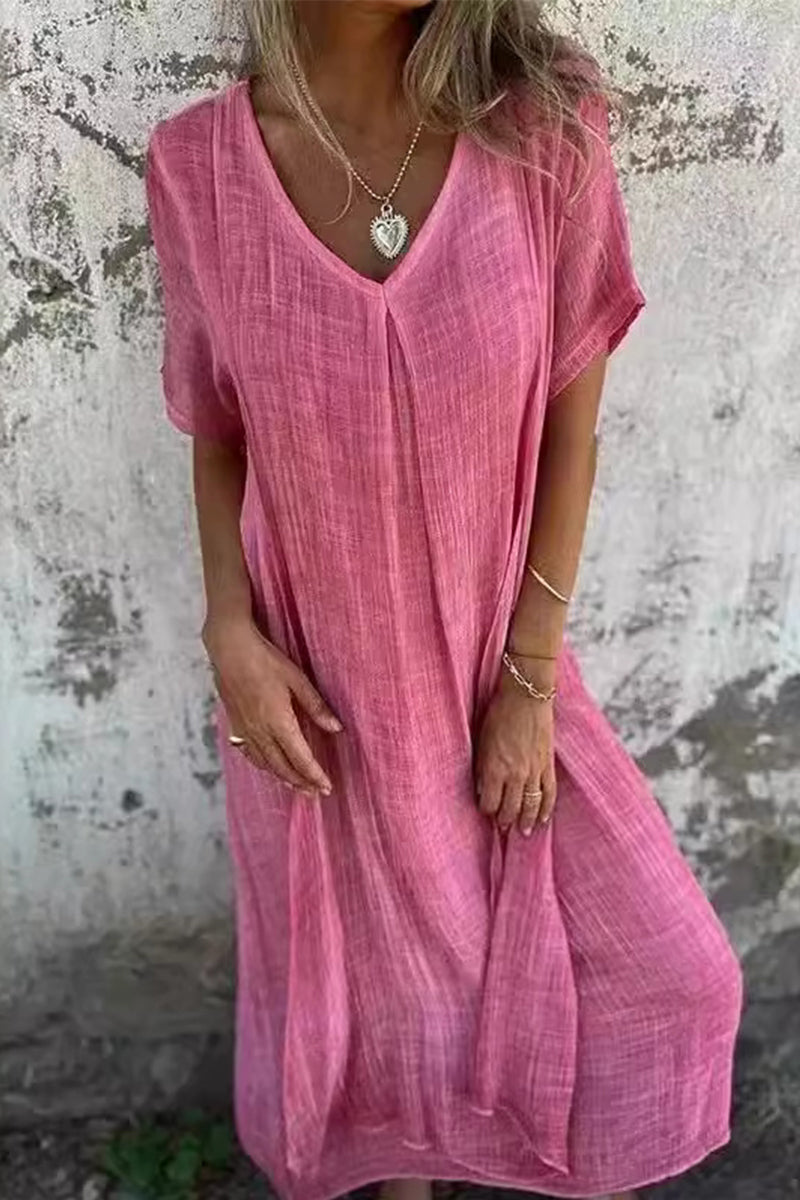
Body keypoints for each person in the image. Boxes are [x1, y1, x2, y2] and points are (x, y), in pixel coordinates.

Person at [144, 3, 744, 1200]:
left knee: (677, 973)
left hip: (488, 669)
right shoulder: (198, 164)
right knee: (378, 997)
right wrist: (228, 631)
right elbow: (217, 428)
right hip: (312, 685)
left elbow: (570, 428)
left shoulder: (544, 133)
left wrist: (528, 678)